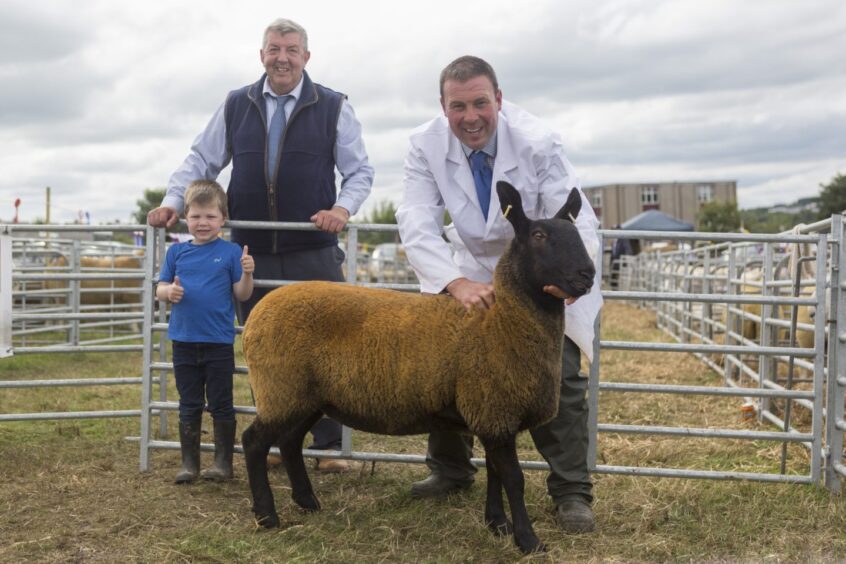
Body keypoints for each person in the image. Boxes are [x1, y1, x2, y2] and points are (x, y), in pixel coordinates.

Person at [148, 18, 375, 473]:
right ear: (261, 55)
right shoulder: (237, 104)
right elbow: (201, 158)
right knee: (266, 345)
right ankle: (276, 439)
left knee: (328, 344)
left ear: (306, 57)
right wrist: (174, 201)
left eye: (291, 49)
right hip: (251, 251)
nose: (282, 58)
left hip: (312, 245)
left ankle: (328, 447)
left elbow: (360, 172)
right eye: (274, 49)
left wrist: (342, 210)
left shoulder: (332, 106)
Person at [396, 56, 603, 533]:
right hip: (466, 270)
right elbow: (417, 219)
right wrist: (454, 282)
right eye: (458, 106)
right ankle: (450, 469)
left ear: (499, 100)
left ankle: (571, 490)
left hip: (540, 273)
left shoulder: (537, 141)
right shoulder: (425, 145)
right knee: (443, 362)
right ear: (443, 107)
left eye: (481, 103)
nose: (470, 116)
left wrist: (570, 281)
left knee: (560, 372)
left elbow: (575, 218)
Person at [156, 180, 255, 484]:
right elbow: (159, 287)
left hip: (218, 342)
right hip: (183, 340)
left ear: (222, 219)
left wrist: (248, 272)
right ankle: (190, 464)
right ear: (186, 216)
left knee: (221, 402)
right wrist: (168, 292)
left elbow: (242, 294)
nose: (203, 223)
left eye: (210, 217)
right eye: (197, 216)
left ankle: (223, 463)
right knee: (189, 401)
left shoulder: (230, 252)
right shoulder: (176, 252)